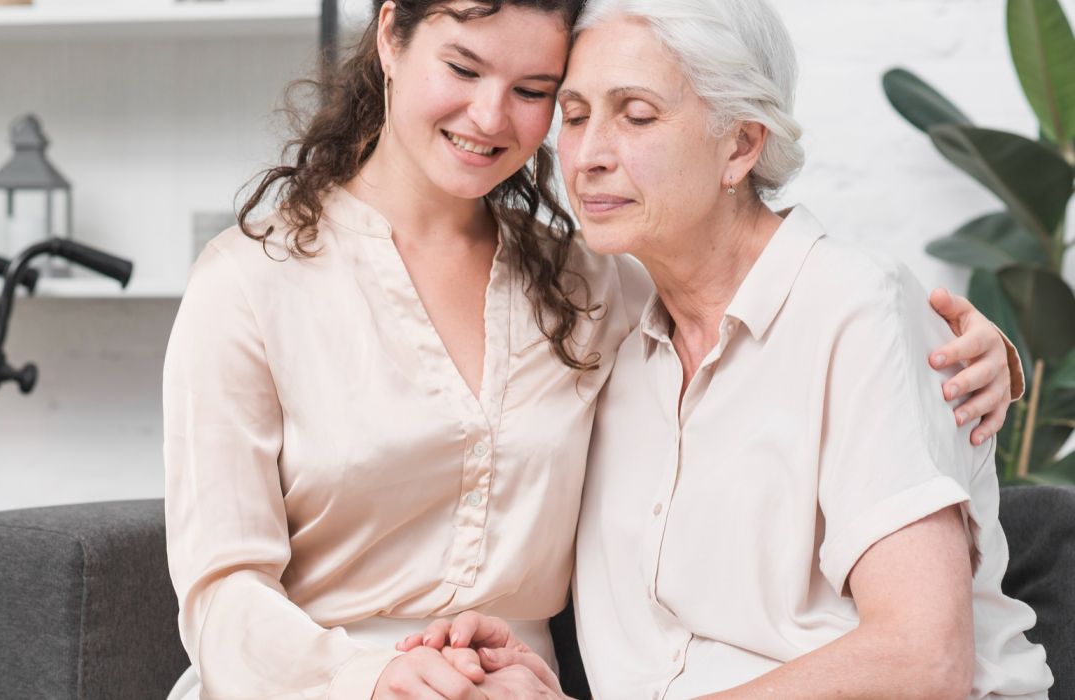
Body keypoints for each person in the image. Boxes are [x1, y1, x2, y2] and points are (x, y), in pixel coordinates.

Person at [163, 0, 1024, 696]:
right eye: (462, 68)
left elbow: (765, 295)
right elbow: (220, 591)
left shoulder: (593, 284)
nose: (490, 116)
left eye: (536, 90)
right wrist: (369, 679)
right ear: (390, 35)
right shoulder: (247, 283)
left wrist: (974, 353)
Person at [401, 0, 1053, 697]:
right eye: (576, 114)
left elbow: (922, 660)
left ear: (741, 146)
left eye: (637, 115)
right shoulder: (614, 337)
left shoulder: (855, 310)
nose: (587, 157)